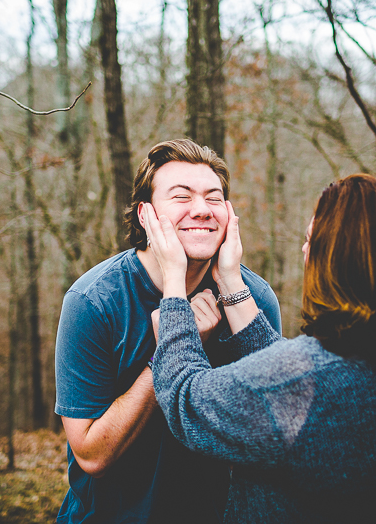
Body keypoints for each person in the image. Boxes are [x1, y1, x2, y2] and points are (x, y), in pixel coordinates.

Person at [147, 174, 376, 523]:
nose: (304, 250)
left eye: (310, 241)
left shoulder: (303, 381)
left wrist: (173, 287)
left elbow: (186, 399)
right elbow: (296, 384)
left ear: (340, 263)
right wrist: (230, 280)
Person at [54, 139, 282, 523]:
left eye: (214, 198)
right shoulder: (93, 302)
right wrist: (171, 352)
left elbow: (277, 428)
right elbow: (91, 454)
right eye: (182, 196)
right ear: (146, 215)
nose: (201, 210)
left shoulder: (253, 299)